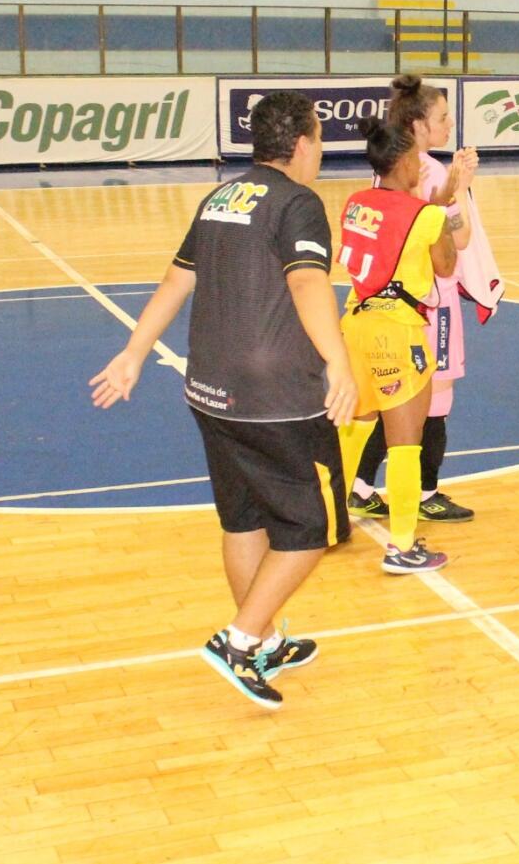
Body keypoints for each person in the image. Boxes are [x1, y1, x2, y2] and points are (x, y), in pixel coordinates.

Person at [89, 91, 356, 710]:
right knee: (311, 528)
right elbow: (307, 280)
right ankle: (238, 640)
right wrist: (339, 361)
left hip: (209, 387)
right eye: (319, 139)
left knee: (244, 518)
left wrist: (134, 352)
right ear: (301, 144)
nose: (320, 150)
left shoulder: (220, 197)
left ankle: (261, 641)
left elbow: (176, 279)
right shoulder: (299, 202)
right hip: (276, 396)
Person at [348, 75, 486, 524]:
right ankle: (425, 494)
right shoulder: (428, 170)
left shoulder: (388, 167)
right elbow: (457, 240)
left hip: (385, 302)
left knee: (394, 399)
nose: (449, 125)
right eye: (442, 117)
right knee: (434, 400)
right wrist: (459, 188)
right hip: (428, 300)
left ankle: (360, 485)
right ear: (419, 125)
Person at [336, 118, 468, 574]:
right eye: (416, 157)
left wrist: (432, 207)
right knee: (406, 443)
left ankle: (328, 520)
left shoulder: (354, 203)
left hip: (354, 323)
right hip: (396, 331)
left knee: (354, 427)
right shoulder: (426, 216)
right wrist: (443, 209)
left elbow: (390, 231)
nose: (421, 165)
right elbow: (446, 266)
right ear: (402, 162)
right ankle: (403, 546)